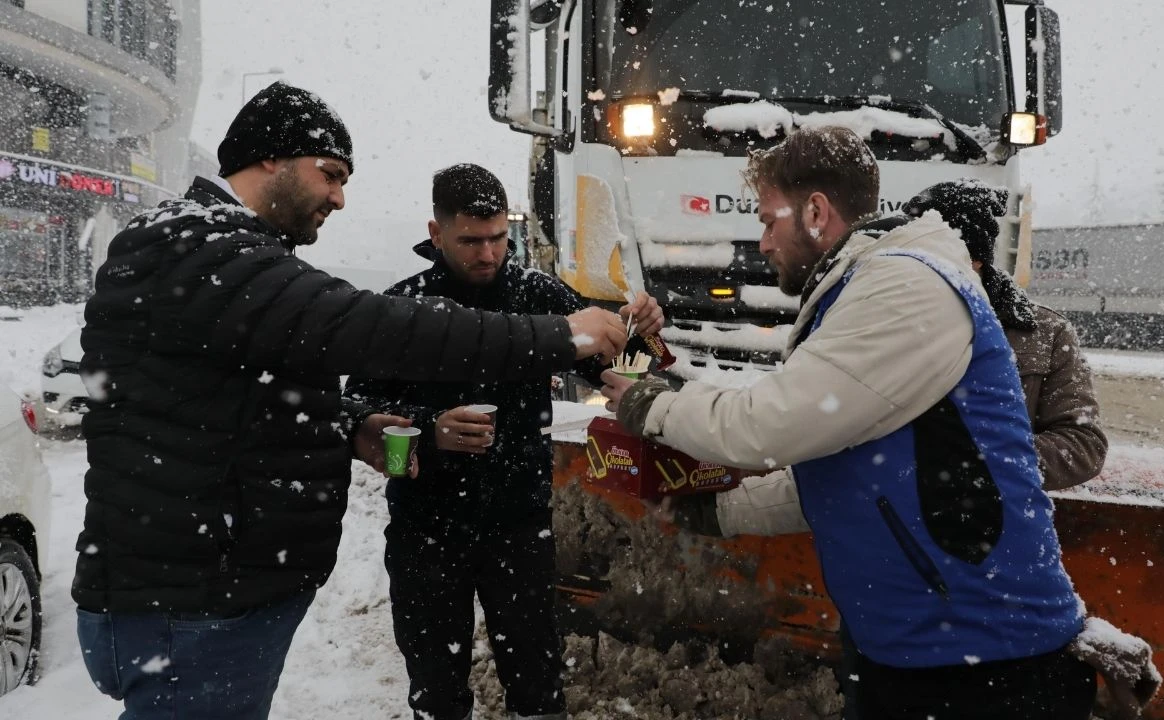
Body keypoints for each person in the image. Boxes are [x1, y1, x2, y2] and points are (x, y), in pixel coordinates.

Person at [72, 84, 627, 720]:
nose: (339, 197)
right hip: (196, 601)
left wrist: (347, 426)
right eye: (330, 174)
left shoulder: (215, 256)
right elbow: (377, 330)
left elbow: (239, 398)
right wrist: (562, 335)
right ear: (271, 159)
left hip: (206, 590)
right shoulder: (207, 252)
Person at [601, 125, 1096, 720]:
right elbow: (857, 471)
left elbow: (766, 428)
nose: (760, 242)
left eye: (767, 220)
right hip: (917, 645)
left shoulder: (905, 285)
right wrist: (723, 511)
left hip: (982, 657)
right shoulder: (868, 286)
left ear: (815, 212)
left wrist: (648, 406)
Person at [344, 164, 663, 720]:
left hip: (519, 525)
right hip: (427, 529)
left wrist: (640, 329)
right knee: (437, 692)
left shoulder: (536, 292)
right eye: (470, 240)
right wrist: (429, 427)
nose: (488, 254)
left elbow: (614, 368)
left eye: (497, 238)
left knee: (537, 685)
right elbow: (359, 411)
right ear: (436, 231)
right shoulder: (405, 307)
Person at [903, 180, 1107, 490]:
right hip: (897, 520)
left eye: (938, 260)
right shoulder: (890, 320)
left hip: (998, 521)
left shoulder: (1045, 332)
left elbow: (1082, 443)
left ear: (977, 260)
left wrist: (986, 466)